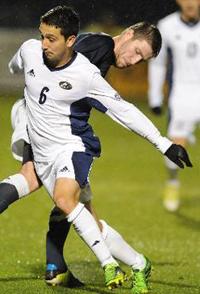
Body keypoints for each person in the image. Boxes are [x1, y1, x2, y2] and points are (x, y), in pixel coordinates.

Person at [5, 5, 192, 294]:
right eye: (136, 52)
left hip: (43, 123)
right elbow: (104, 98)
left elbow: (34, 68)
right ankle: (123, 263)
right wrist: (164, 143)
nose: (132, 61)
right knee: (61, 196)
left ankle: (59, 268)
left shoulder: (88, 45)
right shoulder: (102, 49)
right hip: (50, 129)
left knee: (61, 197)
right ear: (127, 34)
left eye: (141, 60)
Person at [148, 0, 200, 212]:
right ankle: (172, 181)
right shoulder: (167, 25)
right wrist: (155, 97)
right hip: (183, 93)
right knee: (177, 148)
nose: (190, 3)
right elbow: (158, 62)